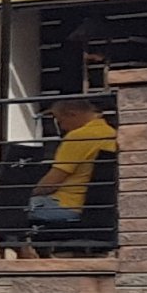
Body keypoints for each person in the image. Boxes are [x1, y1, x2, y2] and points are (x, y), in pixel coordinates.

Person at [30, 97, 116, 226]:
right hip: (92, 206)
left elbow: (51, 183)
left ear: (72, 114)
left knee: (7, 208)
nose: (62, 127)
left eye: (60, 121)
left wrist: (28, 193)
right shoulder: (110, 133)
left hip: (65, 205)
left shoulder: (78, 136)